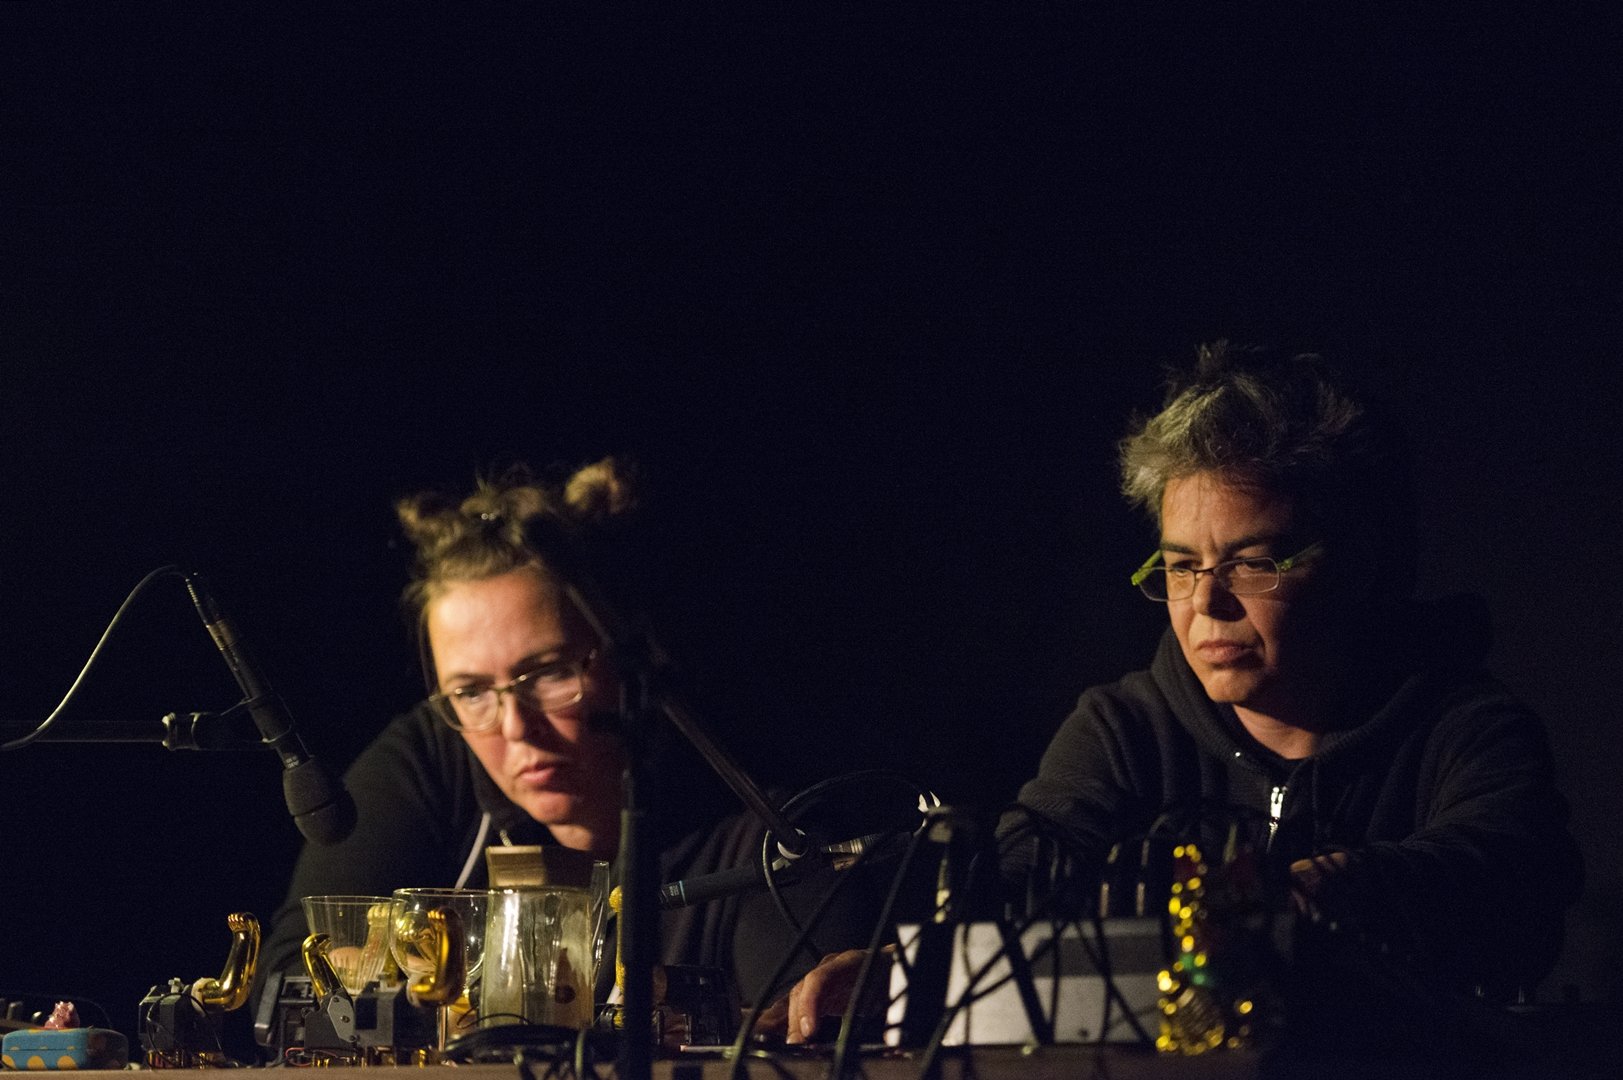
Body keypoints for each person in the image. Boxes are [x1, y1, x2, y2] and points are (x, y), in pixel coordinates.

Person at [997, 342, 1583, 1063]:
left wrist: (1315, 893)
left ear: (1357, 564)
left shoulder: (1464, 727)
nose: (1205, 603)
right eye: (1181, 566)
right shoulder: (1121, 729)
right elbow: (1015, 879)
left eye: (1250, 563)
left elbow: (1513, 872)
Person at [251, 458, 879, 1051]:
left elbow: (802, 1023)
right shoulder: (434, 756)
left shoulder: (759, 821)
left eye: (549, 673)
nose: (514, 726)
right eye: (470, 691)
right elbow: (287, 978)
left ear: (634, 656)